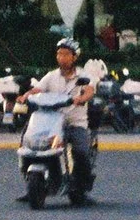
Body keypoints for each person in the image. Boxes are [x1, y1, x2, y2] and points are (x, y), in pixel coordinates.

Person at [23, 37, 98, 203]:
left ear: (74, 57)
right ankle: (32, 187)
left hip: (74, 123)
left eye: (65, 54)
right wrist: (25, 96)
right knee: (29, 144)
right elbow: (37, 89)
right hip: (51, 123)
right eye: (59, 54)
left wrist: (81, 98)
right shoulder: (51, 76)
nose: (61, 57)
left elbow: (89, 91)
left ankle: (81, 188)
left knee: (80, 152)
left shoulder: (83, 76)